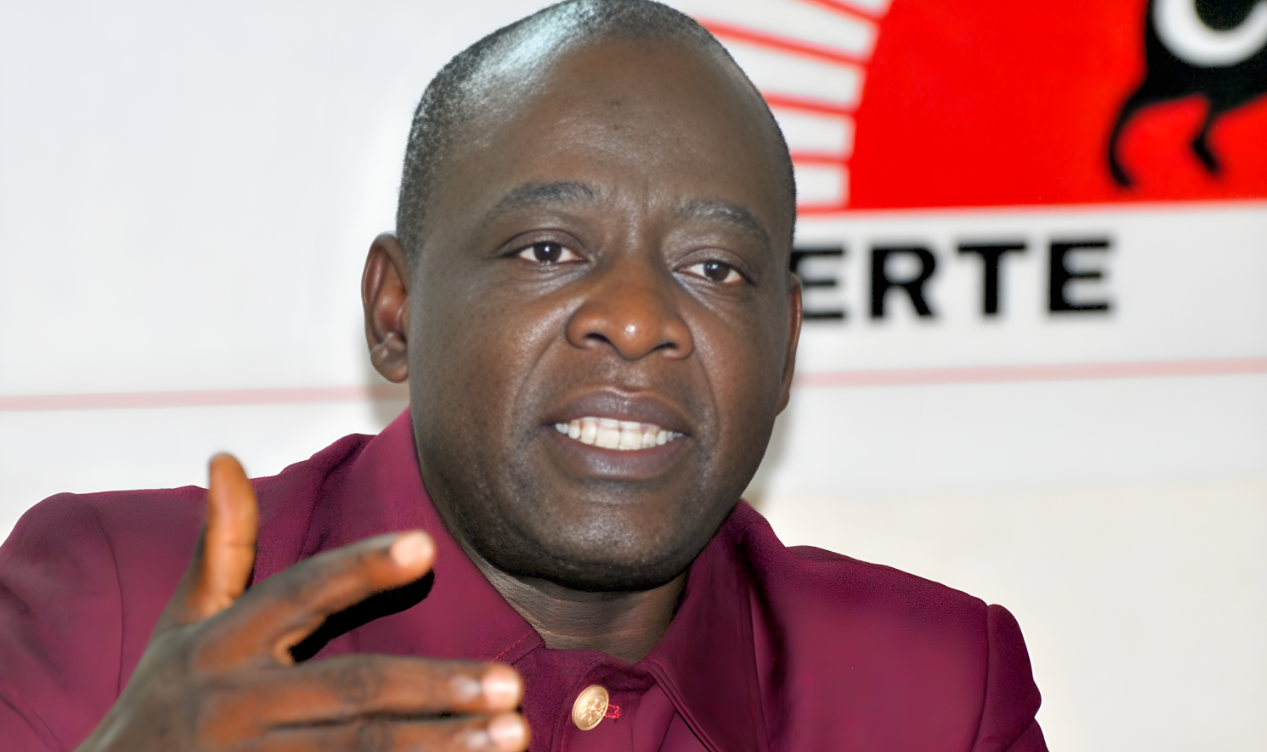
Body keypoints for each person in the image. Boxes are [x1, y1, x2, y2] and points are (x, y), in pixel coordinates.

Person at [0, 1, 1048, 750]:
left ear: (783, 344)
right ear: (395, 310)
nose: (637, 321)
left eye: (714, 268)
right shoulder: (127, 610)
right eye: (548, 248)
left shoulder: (934, 695)